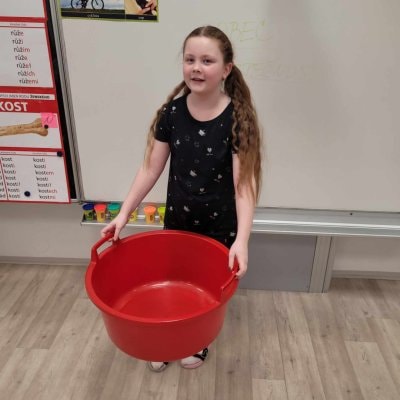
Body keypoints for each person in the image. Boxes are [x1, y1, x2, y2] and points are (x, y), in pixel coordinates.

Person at [101, 25, 262, 372]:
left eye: (207, 60)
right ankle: (167, 340)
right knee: (176, 284)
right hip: (178, 222)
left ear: (227, 68)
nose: (196, 68)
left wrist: (242, 240)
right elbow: (150, 169)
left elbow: (244, 186)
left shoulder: (238, 119)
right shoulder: (172, 114)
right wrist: (124, 213)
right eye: (190, 60)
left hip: (219, 228)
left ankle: (196, 340)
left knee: (205, 292)